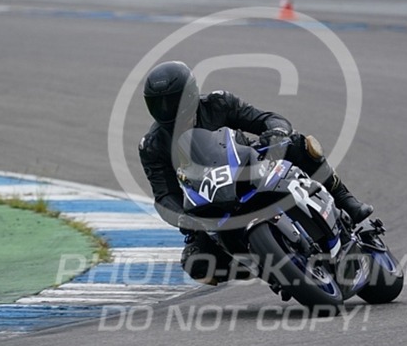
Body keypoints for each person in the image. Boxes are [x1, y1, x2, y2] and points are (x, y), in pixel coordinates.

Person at [139, 61, 373, 284]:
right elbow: (164, 194)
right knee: (197, 263)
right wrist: (181, 217)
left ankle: (345, 199)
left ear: (190, 94)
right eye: (158, 104)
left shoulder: (218, 103)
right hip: (208, 200)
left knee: (299, 144)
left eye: (172, 102)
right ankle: (256, 264)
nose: (166, 110)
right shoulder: (152, 146)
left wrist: (276, 132)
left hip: (248, 166)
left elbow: (266, 119)